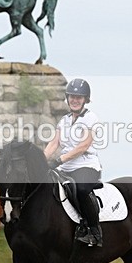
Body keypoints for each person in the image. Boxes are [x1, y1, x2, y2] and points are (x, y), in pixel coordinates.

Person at [44, 78, 103, 247]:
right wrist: (41, 159)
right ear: (67, 98)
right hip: (65, 167)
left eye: (79, 97)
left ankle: (94, 230)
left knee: (81, 189)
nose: (75, 100)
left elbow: (82, 146)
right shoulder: (64, 120)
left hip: (86, 166)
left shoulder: (91, 118)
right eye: (72, 97)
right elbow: (54, 143)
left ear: (86, 100)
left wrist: (58, 160)